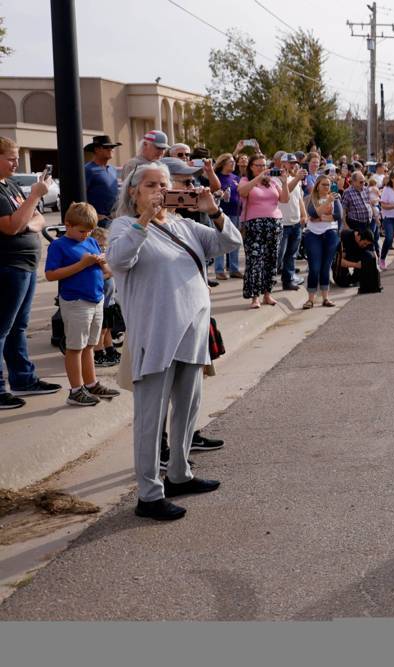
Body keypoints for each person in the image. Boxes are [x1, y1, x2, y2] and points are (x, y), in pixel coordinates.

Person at [107, 161, 242, 521]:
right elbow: (119, 259)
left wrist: (213, 211)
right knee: (151, 417)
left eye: (164, 184)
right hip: (156, 334)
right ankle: (149, 494)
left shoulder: (185, 224)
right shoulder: (124, 226)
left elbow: (229, 242)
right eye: (150, 184)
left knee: (188, 406)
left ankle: (179, 474)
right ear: (133, 191)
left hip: (192, 332)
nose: (159, 190)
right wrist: (145, 221)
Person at [0, 137, 63, 409]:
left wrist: (28, 218)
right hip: (7, 266)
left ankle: (24, 379)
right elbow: (12, 226)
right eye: (11, 158)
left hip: (23, 266)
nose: (16, 163)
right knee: (2, 328)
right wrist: (35, 195)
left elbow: (36, 218)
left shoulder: (10, 185)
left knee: (18, 327)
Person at [43, 202, 121, 406]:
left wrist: (103, 262)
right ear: (67, 225)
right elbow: (51, 275)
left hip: (96, 298)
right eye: (81, 231)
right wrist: (82, 264)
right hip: (76, 301)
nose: (86, 235)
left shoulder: (92, 242)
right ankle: (76, 389)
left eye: (89, 231)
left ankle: (91, 382)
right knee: (75, 347)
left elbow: (106, 272)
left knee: (89, 345)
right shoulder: (59, 245)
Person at [238, 154, 289, 309]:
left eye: (264, 165)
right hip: (254, 225)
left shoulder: (272, 182)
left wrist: (285, 183)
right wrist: (258, 178)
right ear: (251, 167)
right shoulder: (246, 180)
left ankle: (267, 293)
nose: (262, 168)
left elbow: (284, 199)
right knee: (255, 261)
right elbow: (243, 192)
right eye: (258, 165)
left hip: (274, 223)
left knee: (271, 259)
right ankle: (255, 297)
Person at [302, 175, 340, 308]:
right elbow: (312, 214)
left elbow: (338, 216)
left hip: (330, 234)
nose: (326, 187)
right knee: (315, 267)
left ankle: (325, 298)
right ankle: (310, 299)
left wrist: (321, 217)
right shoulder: (311, 198)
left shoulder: (335, 198)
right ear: (318, 185)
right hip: (313, 235)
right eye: (323, 184)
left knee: (326, 267)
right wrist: (326, 203)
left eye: (328, 185)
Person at [88, 226, 121, 368]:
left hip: (109, 302)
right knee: (100, 331)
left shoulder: (105, 259)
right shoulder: (96, 261)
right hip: (101, 303)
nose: (103, 249)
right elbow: (100, 277)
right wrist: (110, 272)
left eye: (104, 246)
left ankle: (110, 349)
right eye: (100, 246)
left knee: (108, 329)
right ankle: (98, 353)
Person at [276, 153, 307, 291]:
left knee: (291, 254)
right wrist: (297, 178)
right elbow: (285, 192)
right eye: (290, 163)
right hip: (282, 223)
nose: (293, 165)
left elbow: (299, 198)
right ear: (282, 164)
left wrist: (304, 214)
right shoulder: (275, 179)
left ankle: (288, 280)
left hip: (295, 222)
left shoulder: (296, 179)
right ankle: (267, 281)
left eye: (294, 163)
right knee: (278, 255)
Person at [212, 152, 243, 279]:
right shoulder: (216, 177)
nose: (234, 164)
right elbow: (212, 193)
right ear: (223, 163)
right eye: (231, 162)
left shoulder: (236, 178)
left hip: (236, 213)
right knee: (220, 240)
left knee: (234, 240)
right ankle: (219, 270)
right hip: (221, 213)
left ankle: (234, 269)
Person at [83, 134, 122, 228]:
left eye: (112, 147)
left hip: (114, 219)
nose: (111, 149)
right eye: (106, 147)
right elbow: (80, 196)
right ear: (96, 150)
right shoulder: (88, 169)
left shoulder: (113, 169)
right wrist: (94, 215)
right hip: (97, 222)